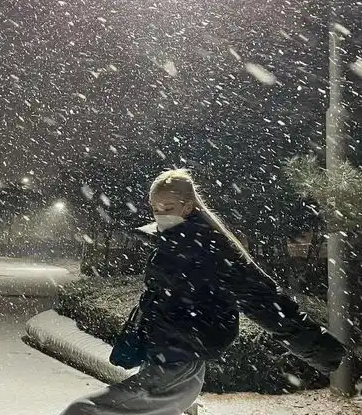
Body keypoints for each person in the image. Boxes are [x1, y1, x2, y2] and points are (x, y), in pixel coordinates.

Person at [60, 168, 346, 415]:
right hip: (161, 360)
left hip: (178, 369)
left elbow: (261, 300)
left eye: (167, 207)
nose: (160, 214)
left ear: (188, 207)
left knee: (82, 410)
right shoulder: (173, 242)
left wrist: (320, 349)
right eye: (155, 207)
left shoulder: (210, 249)